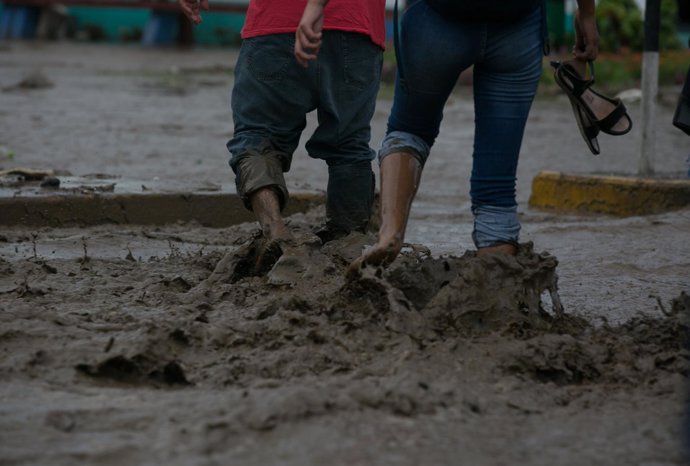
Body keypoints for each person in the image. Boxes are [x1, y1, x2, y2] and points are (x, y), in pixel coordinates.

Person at [298, 0, 600, 275]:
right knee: (497, 183)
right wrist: (586, 13)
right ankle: (495, 281)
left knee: (410, 129)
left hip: (434, 23)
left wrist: (315, 5)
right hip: (517, 28)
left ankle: (390, 233)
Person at [178, 0, 386, 254]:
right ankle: (347, 248)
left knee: (256, 137)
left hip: (275, 22)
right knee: (349, 145)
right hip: (357, 27)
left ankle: (275, 232)